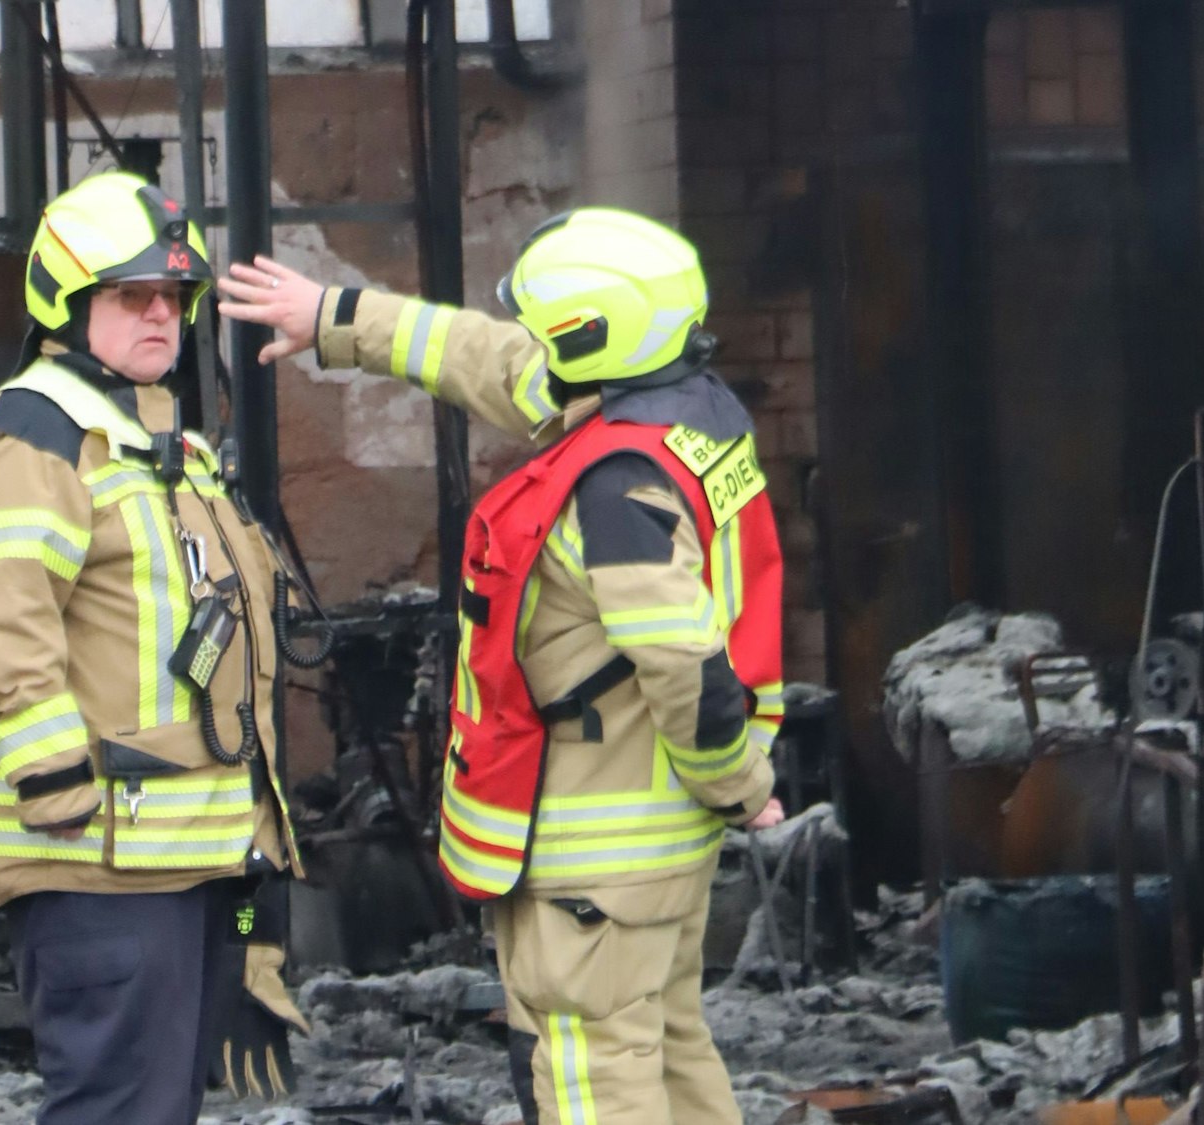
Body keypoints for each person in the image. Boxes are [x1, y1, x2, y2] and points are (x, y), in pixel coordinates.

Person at [218, 207, 787, 1125]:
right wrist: (334, 317)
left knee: (592, 1077)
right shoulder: (683, 414)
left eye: (547, 327)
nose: (530, 343)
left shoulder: (617, 491)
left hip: (594, 863)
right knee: (672, 1054)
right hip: (658, 849)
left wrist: (738, 781)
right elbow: (488, 358)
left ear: (589, 337)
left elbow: (683, 660)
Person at [0, 170, 306, 1122]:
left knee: (156, 1107)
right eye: (130, 296)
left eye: (174, 299)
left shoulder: (158, 441)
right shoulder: (38, 433)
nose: (160, 317)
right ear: (67, 301)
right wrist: (53, 774)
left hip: (177, 857)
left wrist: (255, 854)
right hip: (94, 857)